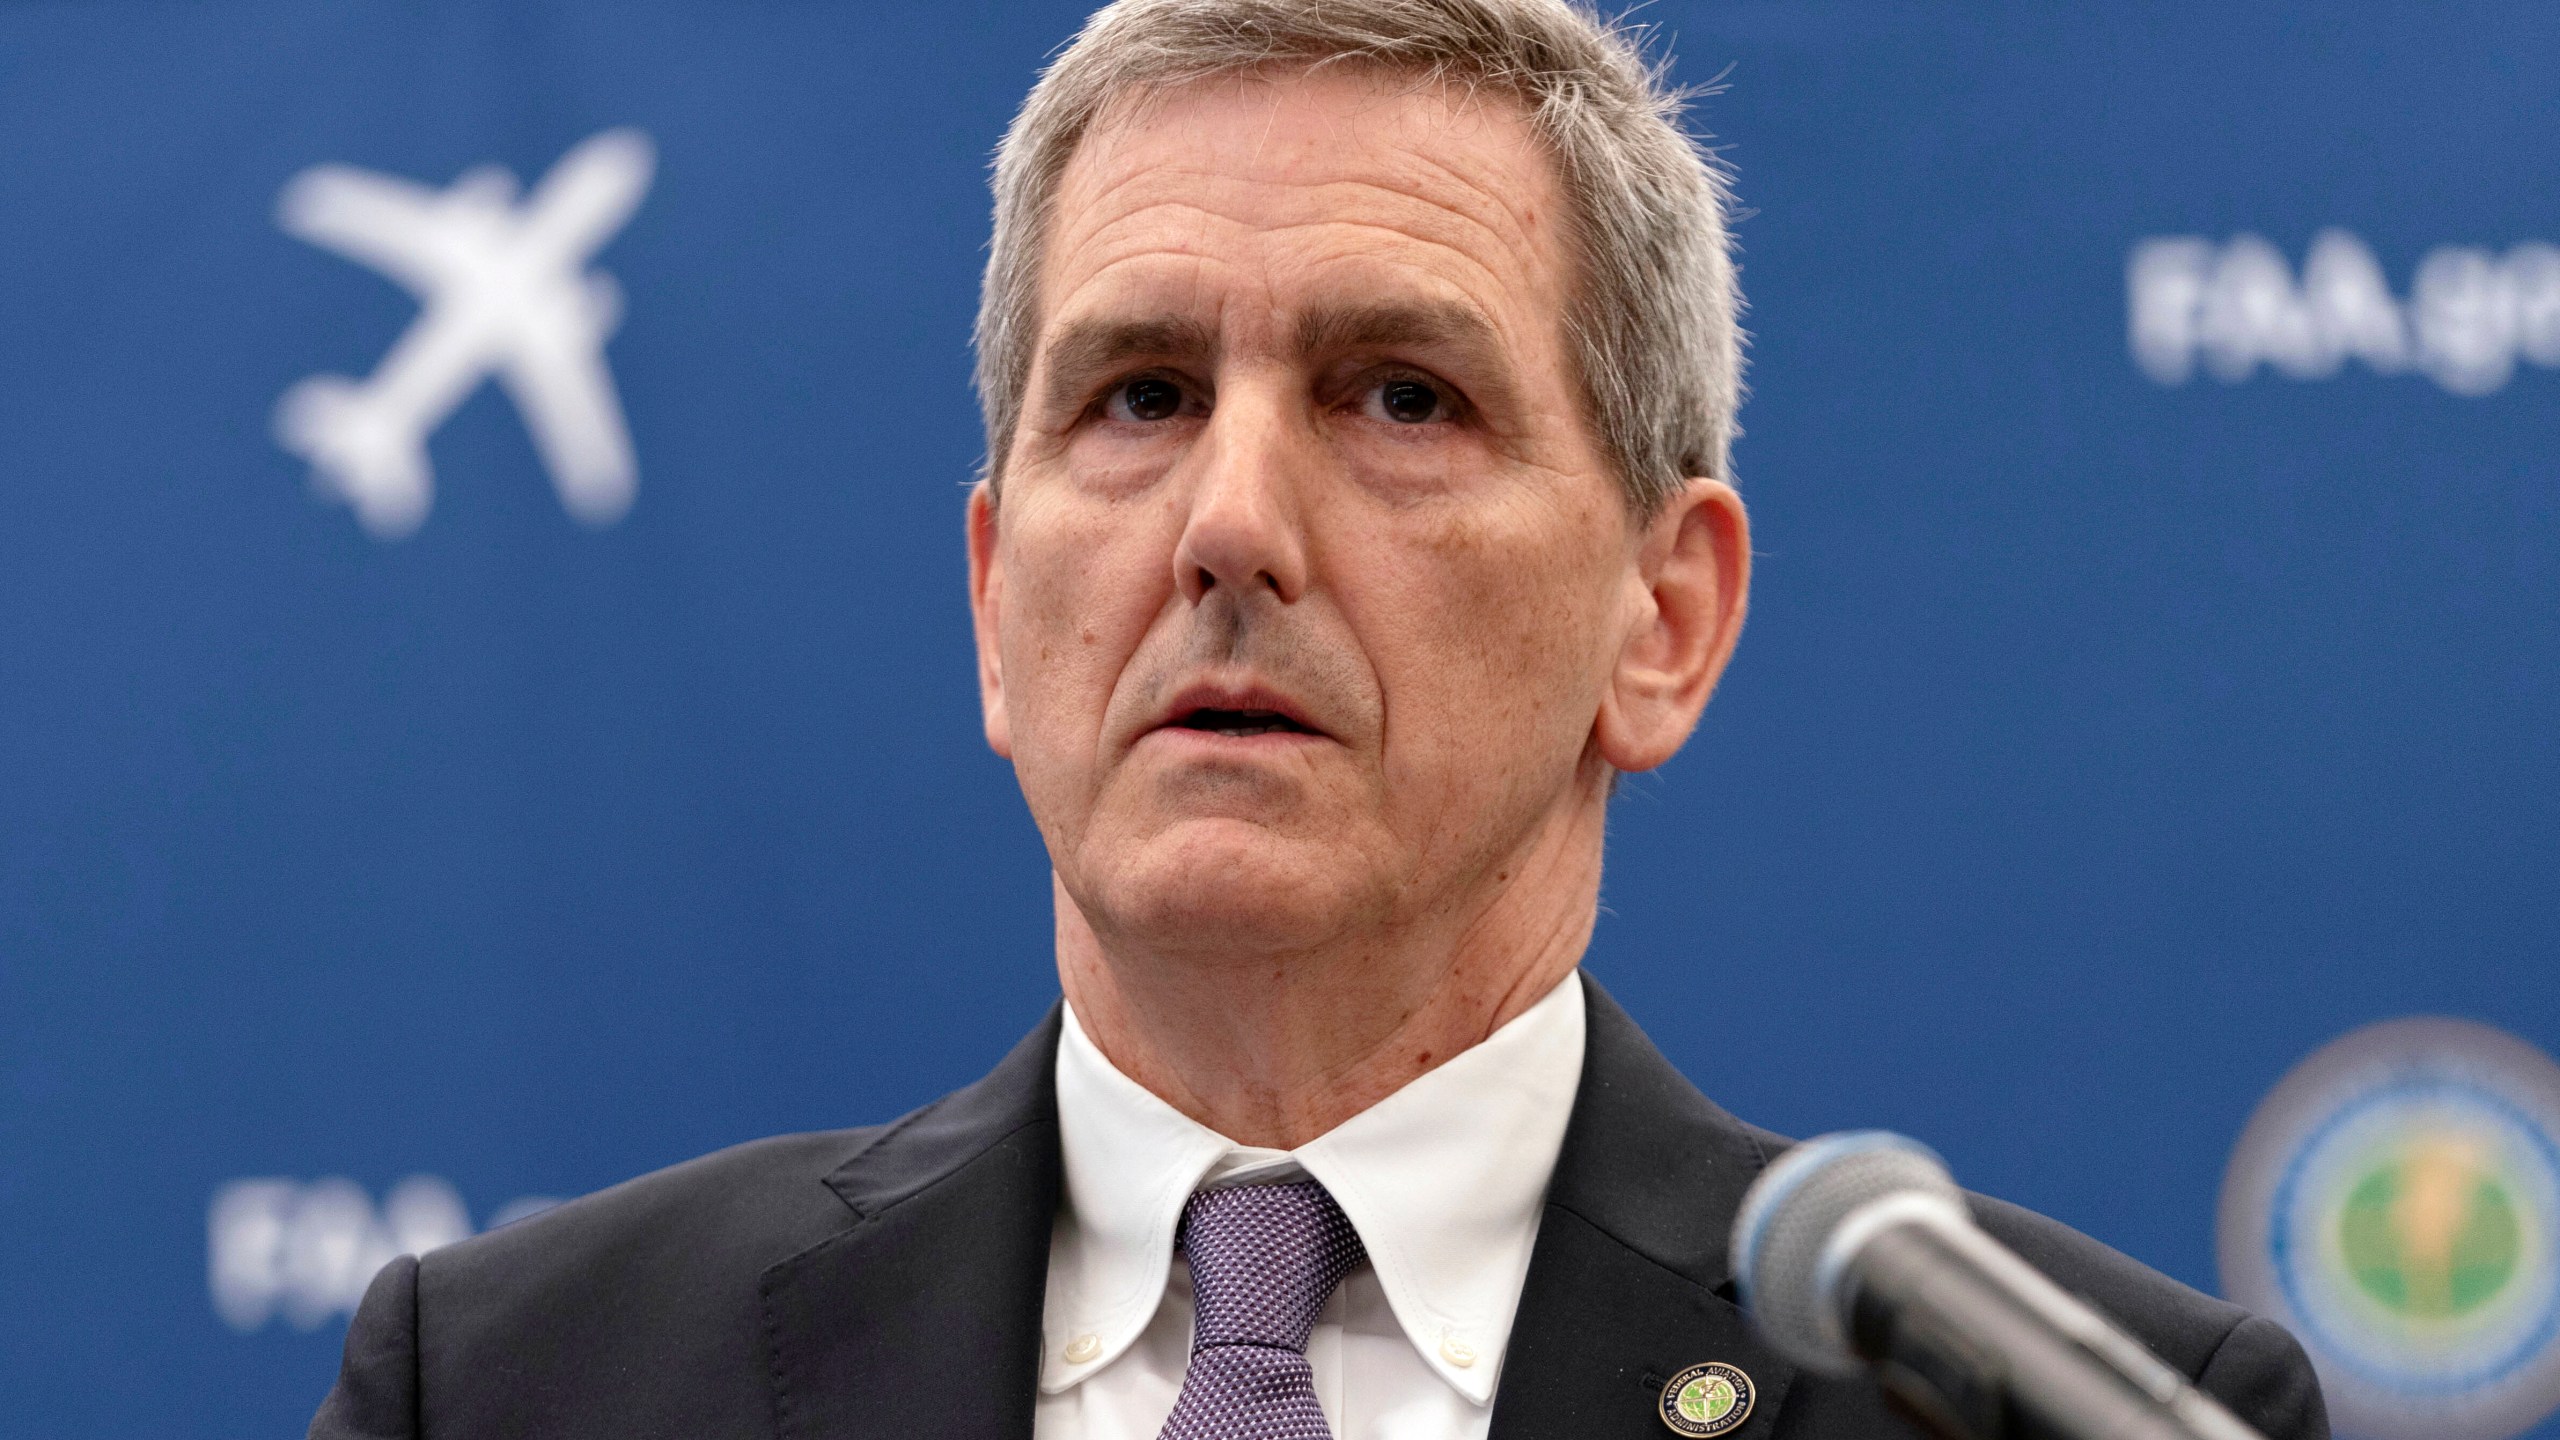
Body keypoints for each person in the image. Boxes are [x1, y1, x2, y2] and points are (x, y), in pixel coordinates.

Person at [310, 2, 2329, 1437]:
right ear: (995, 606)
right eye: (1139, 397)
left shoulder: (2032, 1402)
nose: (1231, 529)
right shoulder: (512, 1387)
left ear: (1663, 616)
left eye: (1397, 397)